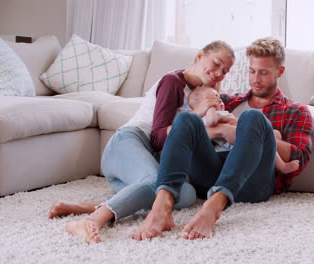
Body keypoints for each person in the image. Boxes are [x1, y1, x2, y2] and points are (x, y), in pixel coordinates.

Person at [47, 40, 235, 244]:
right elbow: (158, 138)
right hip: (128, 142)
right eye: (216, 64)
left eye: (225, 71)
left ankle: (88, 206)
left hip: (149, 159)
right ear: (200, 56)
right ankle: (91, 220)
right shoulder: (173, 81)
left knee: (187, 194)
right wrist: (204, 120)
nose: (219, 73)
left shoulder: (203, 92)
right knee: (157, 184)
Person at [131, 37, 313, 241]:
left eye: (264, 72)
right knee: (187, 118)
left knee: (252, 117)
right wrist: (223, 130)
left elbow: (300, 157)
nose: (255, 79)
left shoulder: (297, 111)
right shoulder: (228, 101)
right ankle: (161, 207)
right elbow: (189, 129)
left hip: (253, 183)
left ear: (280, 72)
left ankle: (213, 207)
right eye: (252, 71)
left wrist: (252, 135)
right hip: (210, 175)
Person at [187, 86, 300, 174]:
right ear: (203, 104)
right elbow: (211, 122)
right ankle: (282, 166)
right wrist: (210, 108)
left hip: (240, 140)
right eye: (213, 98)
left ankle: (270, 140)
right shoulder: (207, 116)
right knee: (264, 139)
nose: (219, 100)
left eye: (219, 98)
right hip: (228, 150)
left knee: (274, 134)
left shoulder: (224, 112)